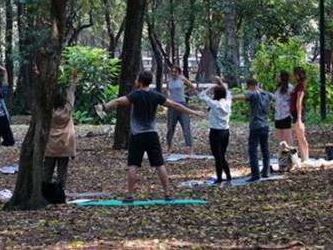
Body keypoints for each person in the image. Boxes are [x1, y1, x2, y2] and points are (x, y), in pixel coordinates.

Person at [94, 70, 205, 202]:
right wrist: (194, 112)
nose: (135, 81)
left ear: (140, 82)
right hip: (152, 135)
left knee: (133, 165)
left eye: (137, 79)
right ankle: (167, 194)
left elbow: (118, 101)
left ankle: (129, 196)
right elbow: (175, 105)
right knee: (159, 165)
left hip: (137, 136)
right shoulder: (155, 95)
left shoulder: (135, 95)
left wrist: (104, 107)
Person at [43, 69, 78, 189]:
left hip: (50, 144)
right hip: (64, 144)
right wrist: (74, 79)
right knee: (62, 171)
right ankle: (60, 192)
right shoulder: (68, 108)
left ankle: (45, 191)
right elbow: (71, 92)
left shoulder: (48, 110)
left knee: (47, 169)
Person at [233, 78, 271, 182]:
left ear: (249, 85)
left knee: (253, 150)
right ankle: (266, 171)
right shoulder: (266, 94)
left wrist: (230, 97)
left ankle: (255, 174)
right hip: (266, 125)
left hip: (255, 125)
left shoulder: (253, 93)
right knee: (265, 149)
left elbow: (244, 96)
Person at [198, 77, 232, 184]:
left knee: (218, 157)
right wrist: (220, 84)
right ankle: (228, 175)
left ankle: (219, 178)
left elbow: (202, 95)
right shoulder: (228, 103)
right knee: (221, 155)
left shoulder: (214, 104)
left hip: (215, 133)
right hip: (225, 132)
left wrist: (212, 86)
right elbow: (228, 93)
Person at [165, 65, 197, 156]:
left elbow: (192, 87)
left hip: (182, 105)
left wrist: (185, 92)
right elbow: (167, 90)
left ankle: (190, 150)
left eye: (175, 72)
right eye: (172, 72)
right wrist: (168, 97)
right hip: (172, 106)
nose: (173, 73)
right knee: (170, 128)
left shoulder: (182, 79)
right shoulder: (169, 81)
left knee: (186, 128)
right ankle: (168, 148)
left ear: (179, 72)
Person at [291, 67, 309, 161]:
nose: (292, 76)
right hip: (294, 112)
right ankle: (303, 157)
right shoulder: (297, 86)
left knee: (301, 136)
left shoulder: (300, 86)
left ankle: (306, 158)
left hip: (299, 113)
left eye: (293, 74)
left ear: (297, 75)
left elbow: (299, 101)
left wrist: (299, 117)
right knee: (299, 136)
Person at [273, 70, 294, 147]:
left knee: (287, 134)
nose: (277, 77)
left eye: (278, 76)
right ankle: (282, 152)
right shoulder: (277, 88)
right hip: (277, 115)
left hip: (286, 114)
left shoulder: (290, 88)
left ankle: (291, 152)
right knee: (279, 135)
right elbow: (275, 98)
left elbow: (292, 100)